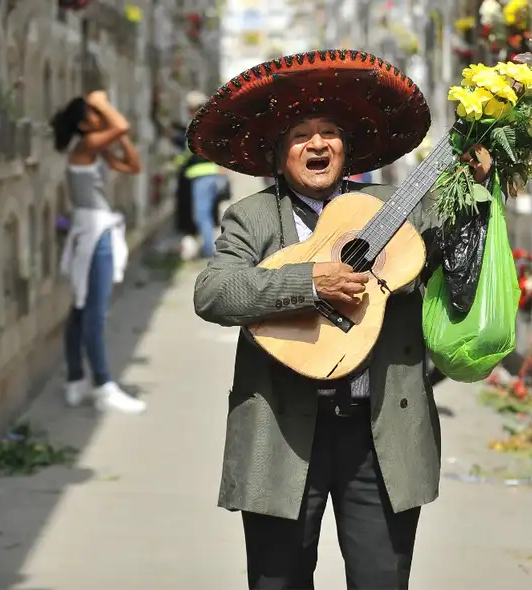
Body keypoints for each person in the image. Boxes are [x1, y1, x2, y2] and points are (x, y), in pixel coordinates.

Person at [189, 50, 477, 589]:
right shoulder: (251, 217)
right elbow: (214, 294)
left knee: (381, 580)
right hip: (283, 432)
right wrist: (308, 283)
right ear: (278, 156)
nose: (318, 144)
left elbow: (459, 254)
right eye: (301, 135)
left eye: (329, 133)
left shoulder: (395, 207)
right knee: (280, 580)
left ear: (348, 149)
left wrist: (477, 183)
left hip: (379, 432)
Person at [51, 91, 147, 415]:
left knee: (81, 309)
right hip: (94, 233)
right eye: (93, 114)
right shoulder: (85, 146)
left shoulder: (95, 148)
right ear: (82, 123)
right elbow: (120, 124)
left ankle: (76, 380)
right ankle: (103, 386)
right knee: (93, 311)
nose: (100, 116)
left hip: (95, 228)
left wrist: (120, 138)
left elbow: (133, 166)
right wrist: (102, 101)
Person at [177, 90, 227, 258]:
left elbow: (188, 151)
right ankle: (210, 246)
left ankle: (208, 250)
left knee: (201, 215)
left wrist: (176, 163)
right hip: (214, 175)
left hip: (201, 177)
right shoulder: (211, 125)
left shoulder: (194, 126)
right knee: (209, 213)